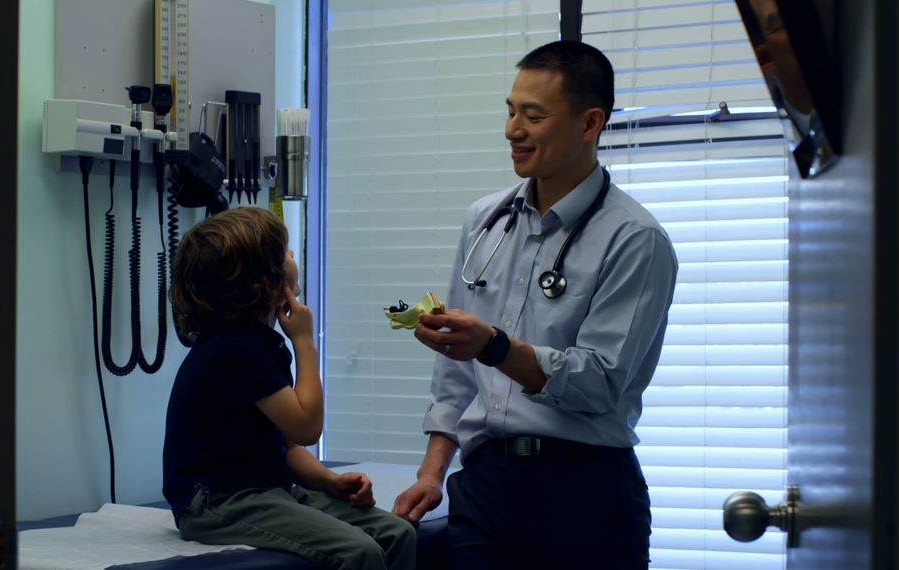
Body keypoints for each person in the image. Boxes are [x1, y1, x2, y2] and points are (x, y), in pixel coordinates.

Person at [391, 40, 678, 569]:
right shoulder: (485, 221)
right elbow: (455, 373)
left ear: (590, 123)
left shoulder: (635, 239)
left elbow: (600, 382)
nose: (512, 130)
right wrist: (431, 474)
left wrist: (496, 348)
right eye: (510, 110)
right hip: (486, 489)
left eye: (533, 115)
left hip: (585, 492)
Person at [164, 207, 416, 570]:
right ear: (259, 283)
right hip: (215, 501)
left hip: (264, 489)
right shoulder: (233, 349)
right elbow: (307, 427)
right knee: (359, 551)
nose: (293, 255)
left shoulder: (260, 344)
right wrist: (304, 342)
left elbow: (290, 446)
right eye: (284, 253)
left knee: (398, 534)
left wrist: (329, 481)